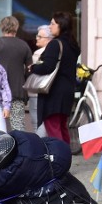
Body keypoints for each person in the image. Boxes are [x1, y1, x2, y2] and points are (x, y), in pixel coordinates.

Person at [27, 12, 80, 143]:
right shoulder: (72, 44)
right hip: (67, 91)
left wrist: (33, 67)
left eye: (52, 23)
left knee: (53, 127)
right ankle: (65, 158)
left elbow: (48, 67)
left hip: (54, 92)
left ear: (61, 25)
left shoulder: (55, 44)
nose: (50, 27)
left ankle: (58, 158)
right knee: (62, 126)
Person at [0, 16, 32, 131]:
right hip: (17, 90)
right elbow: (29, 69)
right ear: (16, 27)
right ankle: (20, 148)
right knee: (18, 124)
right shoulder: (23, 45)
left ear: (1, 27)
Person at [28, 24, 53, 133]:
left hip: (37, 92)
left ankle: (38, 148)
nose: (36, 38)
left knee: (37, 124)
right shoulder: (56, 53)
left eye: (40, 37)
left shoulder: (39, 53)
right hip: (50, 92)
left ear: (49, 39)